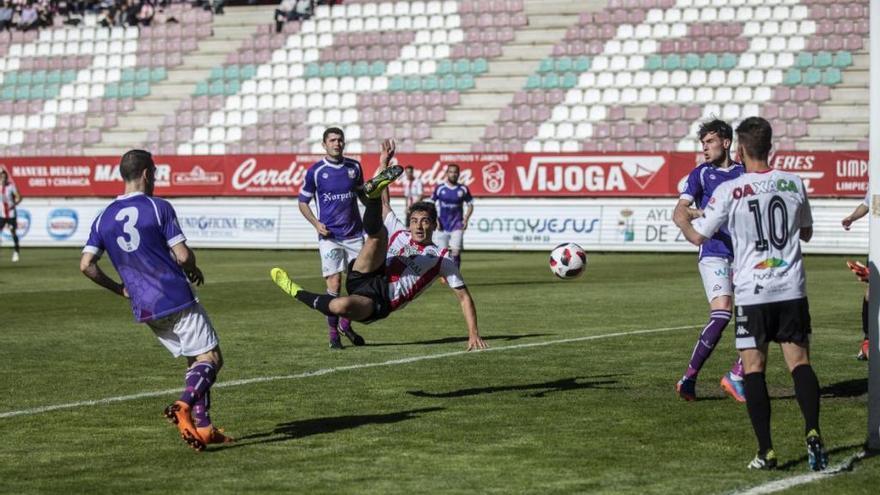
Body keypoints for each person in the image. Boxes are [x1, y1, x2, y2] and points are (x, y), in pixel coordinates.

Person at [678, 117, 827, 471]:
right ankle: (813, 431)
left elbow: (699, 235)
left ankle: (766, 451)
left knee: (754, 370)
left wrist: (683, 221)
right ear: (770, 146)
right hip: (791, 288)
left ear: (739, 148)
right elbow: (806, 233)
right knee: (800, 364)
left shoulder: (732, 190)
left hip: (753, 291)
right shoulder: (793, 182)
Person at [79, 150, 232, 452]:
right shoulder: (157, 207)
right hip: (173, 295)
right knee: (212, 359)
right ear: (148, 174)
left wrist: (120, 289)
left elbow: (86, 265)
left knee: (195, 358)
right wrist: (192, 268)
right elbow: (184, 255)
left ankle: (204, 428)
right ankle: (183, 406)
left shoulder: (103, 217)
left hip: (144, 306)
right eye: (156, 173)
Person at [273, 139, 488, 351]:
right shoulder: (401, 232)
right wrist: (384, 163)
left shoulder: (442, 258)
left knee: (340, 306)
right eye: (414, 221)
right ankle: (373, 194)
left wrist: (473, 333)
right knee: (380, 234)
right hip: (367, 273)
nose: (418, 226)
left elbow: (464, 297)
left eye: (424, 221)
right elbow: (387, 205)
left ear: (434, 224)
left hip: (380, 299)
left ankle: (295, 291)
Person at [672, 119, 746, 402]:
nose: (704, 148)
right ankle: (689, 377)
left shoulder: (743, 172)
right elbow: (679, 212)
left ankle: (737, 374)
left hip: (744, 254)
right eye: (702, 144)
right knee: (723, 313)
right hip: (713, 252)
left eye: (710, 142)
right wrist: (700, 222)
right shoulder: (700, 174)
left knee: (756, 315)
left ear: (726, 143)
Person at [298, 127, 366, 349]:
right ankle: (333, 335)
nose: (337, 143)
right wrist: (316, 223)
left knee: (360, 286)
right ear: (324, 144)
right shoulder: (316, 171)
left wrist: (378, 211)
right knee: (334, 284)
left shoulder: (354, 167)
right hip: (330, 237)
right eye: (333, 140)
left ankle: (345, 324)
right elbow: (302, 202)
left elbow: (362, 196)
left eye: (340, 140)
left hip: (355, 235)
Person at [842, 193, 870, 360]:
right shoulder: (876, 179)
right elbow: (867, 204)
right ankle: (868, 341)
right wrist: (852, 217)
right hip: (877, 245)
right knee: (870, 293)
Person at [430, 164, 473, 268]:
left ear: (458, 174)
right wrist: (435, 220)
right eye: (451, 172)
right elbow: (431, 205)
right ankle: (444, 275)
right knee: (442, 255)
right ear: (447, 173)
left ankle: (455, 277)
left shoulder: (463, 189)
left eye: (455, 172)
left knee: (456, 252)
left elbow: (470, 205)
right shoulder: (440, 188)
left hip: (457, 224)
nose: (453, 174)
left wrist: (466, 219)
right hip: (442, 225)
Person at [0, 168, 22, 262]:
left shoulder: (11, 186)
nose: (3, 179)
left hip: (11, 214)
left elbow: (18, 197)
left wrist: (15, 203)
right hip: (1, 214)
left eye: (5, 177)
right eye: (2, 177)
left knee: (13, 232)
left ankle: (16, 251)